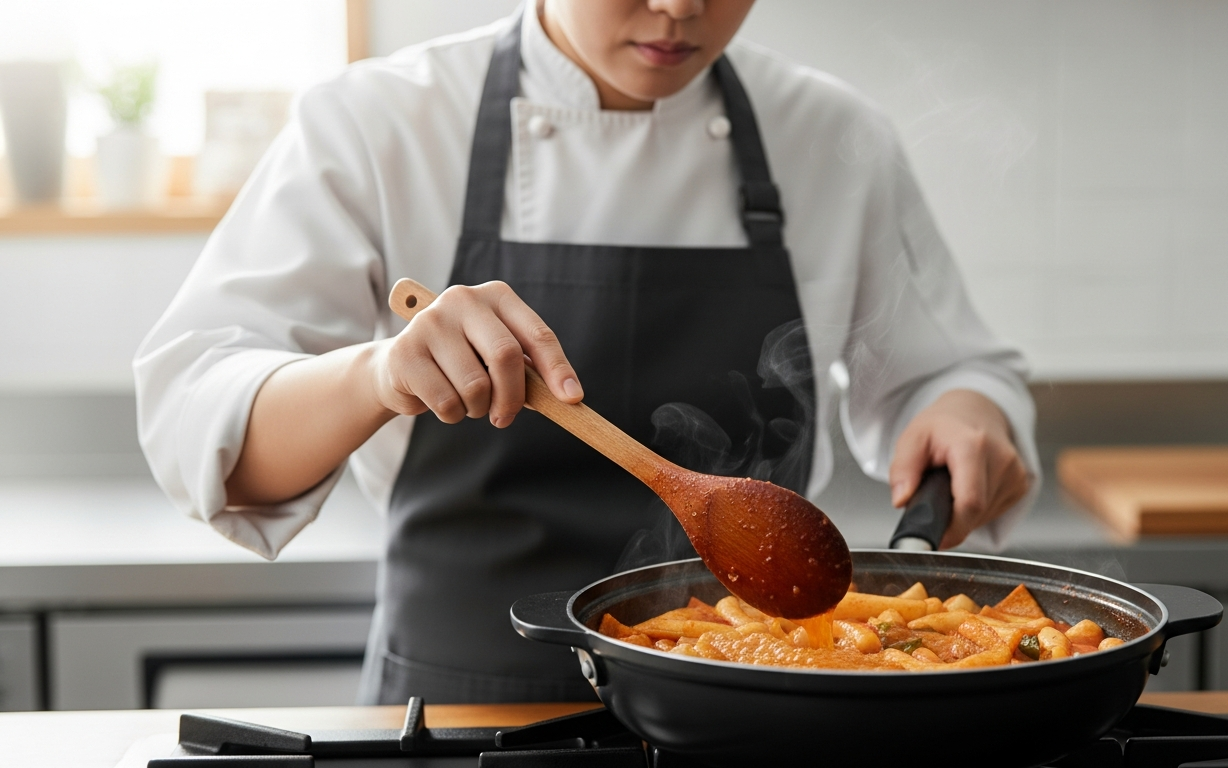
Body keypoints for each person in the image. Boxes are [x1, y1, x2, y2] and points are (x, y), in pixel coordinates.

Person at [135, 0, 1039, 704]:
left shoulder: (830, 134)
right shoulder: (378, 122)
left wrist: (964, 407)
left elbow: (948, 368)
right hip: (461, 706)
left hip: (759, 702)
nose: (681, 9)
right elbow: (202, 429)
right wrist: (379, 374)